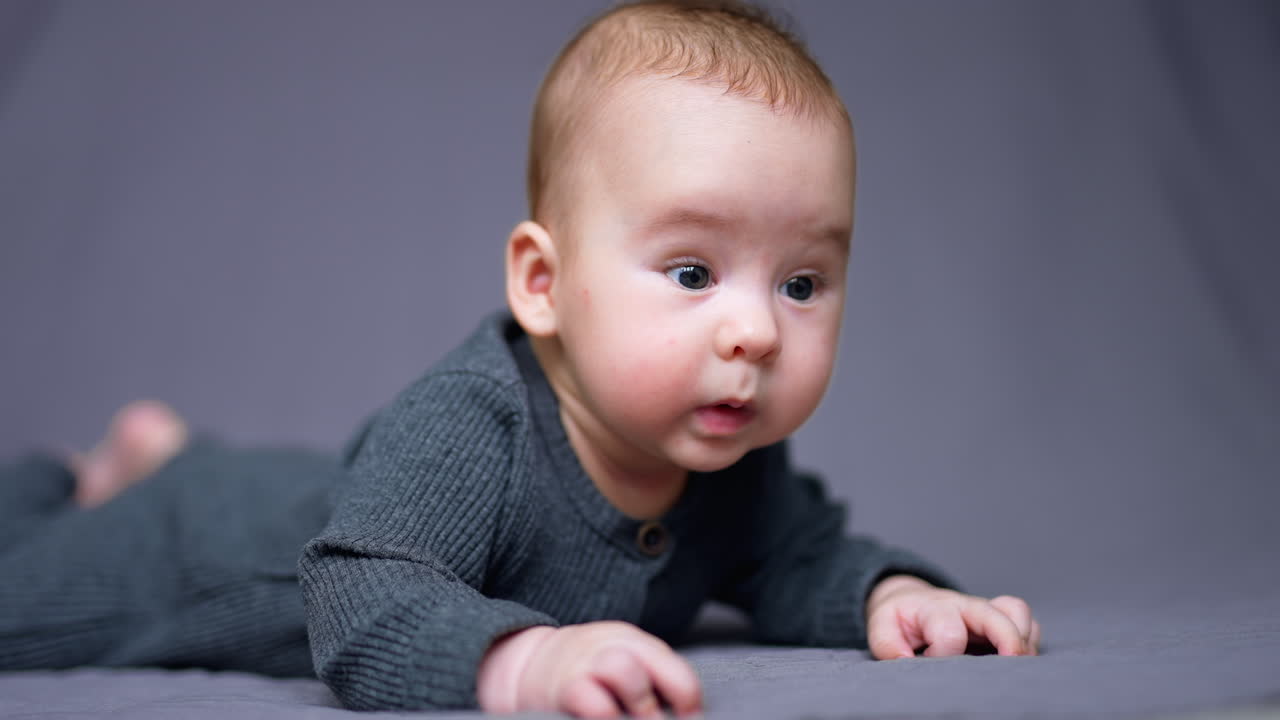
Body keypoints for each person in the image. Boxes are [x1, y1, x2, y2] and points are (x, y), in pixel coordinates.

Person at [0, 1, 1041, 717]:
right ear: (540, 285)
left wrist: (891, 597)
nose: (755, 332)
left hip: (320, 489)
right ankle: (83, 482)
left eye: (800, 283)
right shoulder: (473, 424)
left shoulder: (725, 452)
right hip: (200, 556)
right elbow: (361, 597)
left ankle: (150, 454)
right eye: (690, 272)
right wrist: (526, 658)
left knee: (303, 487)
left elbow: (801, 558)